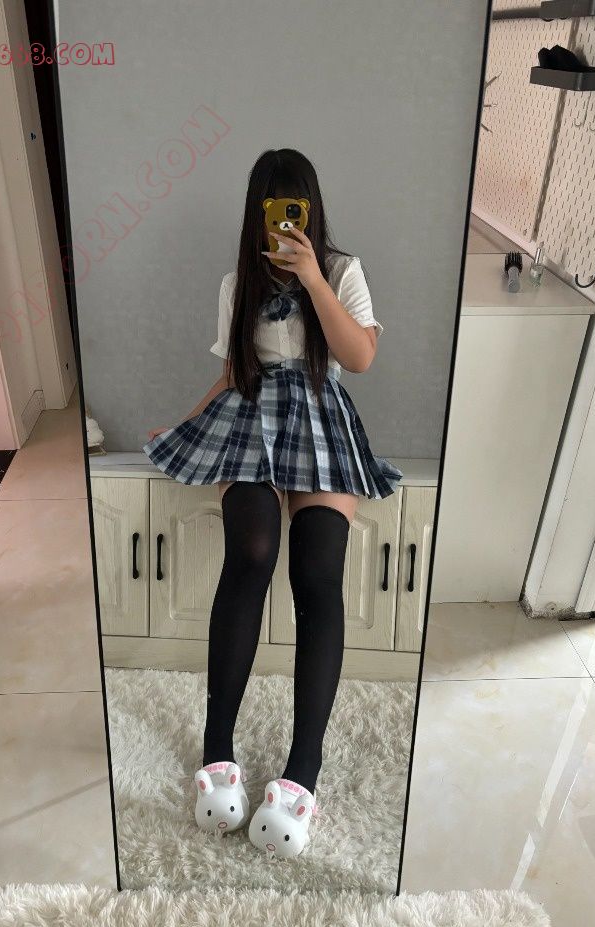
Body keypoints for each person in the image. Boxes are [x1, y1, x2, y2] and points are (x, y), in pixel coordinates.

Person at [145, 148, 403, 859]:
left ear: (312, 210)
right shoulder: (239, 283)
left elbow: (360, 358)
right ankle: (217, 749)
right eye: (274, 207)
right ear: (257, 211)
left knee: (317, 572)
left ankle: (302, 772)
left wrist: (313, 276)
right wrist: (184, 424)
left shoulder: (342, 271)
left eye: (297, 207)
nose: (287, 221)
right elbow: (236, 369)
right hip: (250, 417)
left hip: (321, 419)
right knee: (251, 553)